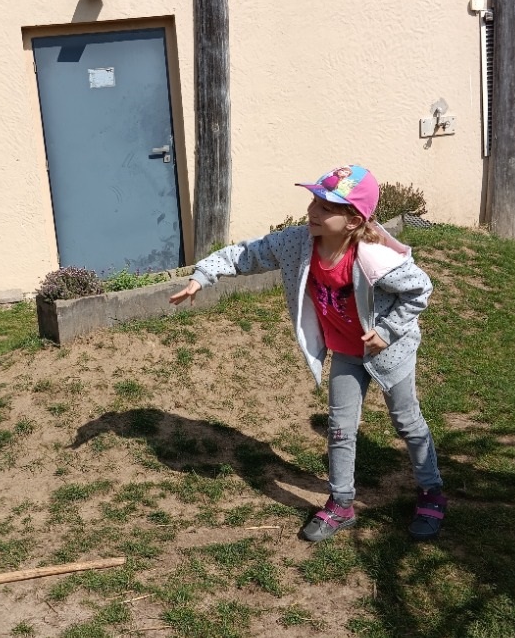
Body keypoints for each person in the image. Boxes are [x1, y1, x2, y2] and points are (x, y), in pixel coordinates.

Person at [169, 165, 445, 542]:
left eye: (326, 206)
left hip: (391, 352)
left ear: (353, 220)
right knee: (340, 428)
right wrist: (203, 275)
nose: (313, 210)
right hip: (346, 353)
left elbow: (420, 290)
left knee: (407, 422)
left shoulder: (376, 257)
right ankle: (342, 503)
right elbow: (248, 253)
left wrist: (387, 331)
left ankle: (431, 492)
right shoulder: (298, 242)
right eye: (314, 200)